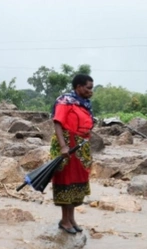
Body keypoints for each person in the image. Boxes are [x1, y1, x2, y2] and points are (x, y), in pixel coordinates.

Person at [50, 74, 94, 234]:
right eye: (88, 88)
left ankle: (72, 218)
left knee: (78, 180)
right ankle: (64, 220)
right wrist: (63, 146)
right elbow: (57, 123)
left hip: (81, 146)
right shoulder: (65, 101)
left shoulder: (84, 104)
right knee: (66, 180)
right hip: (67, 145)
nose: (91, 91)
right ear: (79, 87)